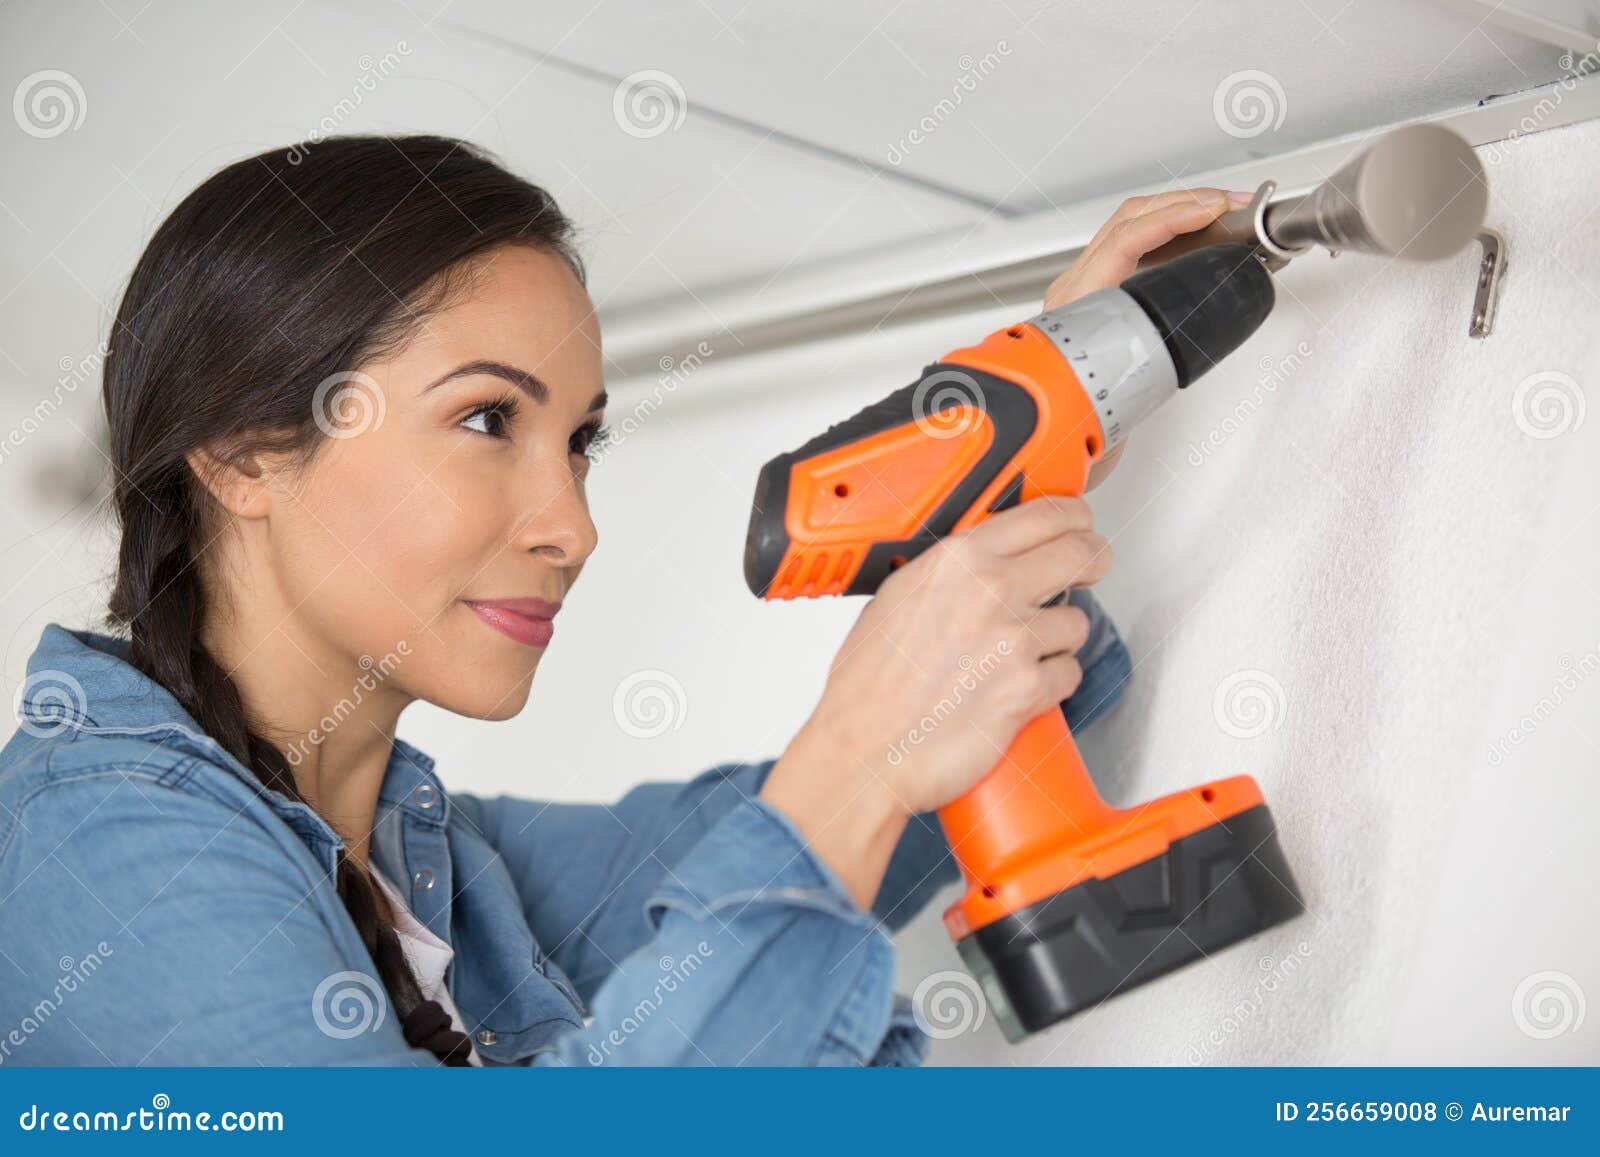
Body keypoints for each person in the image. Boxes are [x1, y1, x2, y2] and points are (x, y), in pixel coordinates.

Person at [0, 135, 1251, 1066]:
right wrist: (859, 756)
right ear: (240, 456)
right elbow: (831, 814)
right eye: (486, 419)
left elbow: (832, 829)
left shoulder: (448, 867)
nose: (573, 526)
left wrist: (1038, 425)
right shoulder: (95, 850)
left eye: (580, 440)